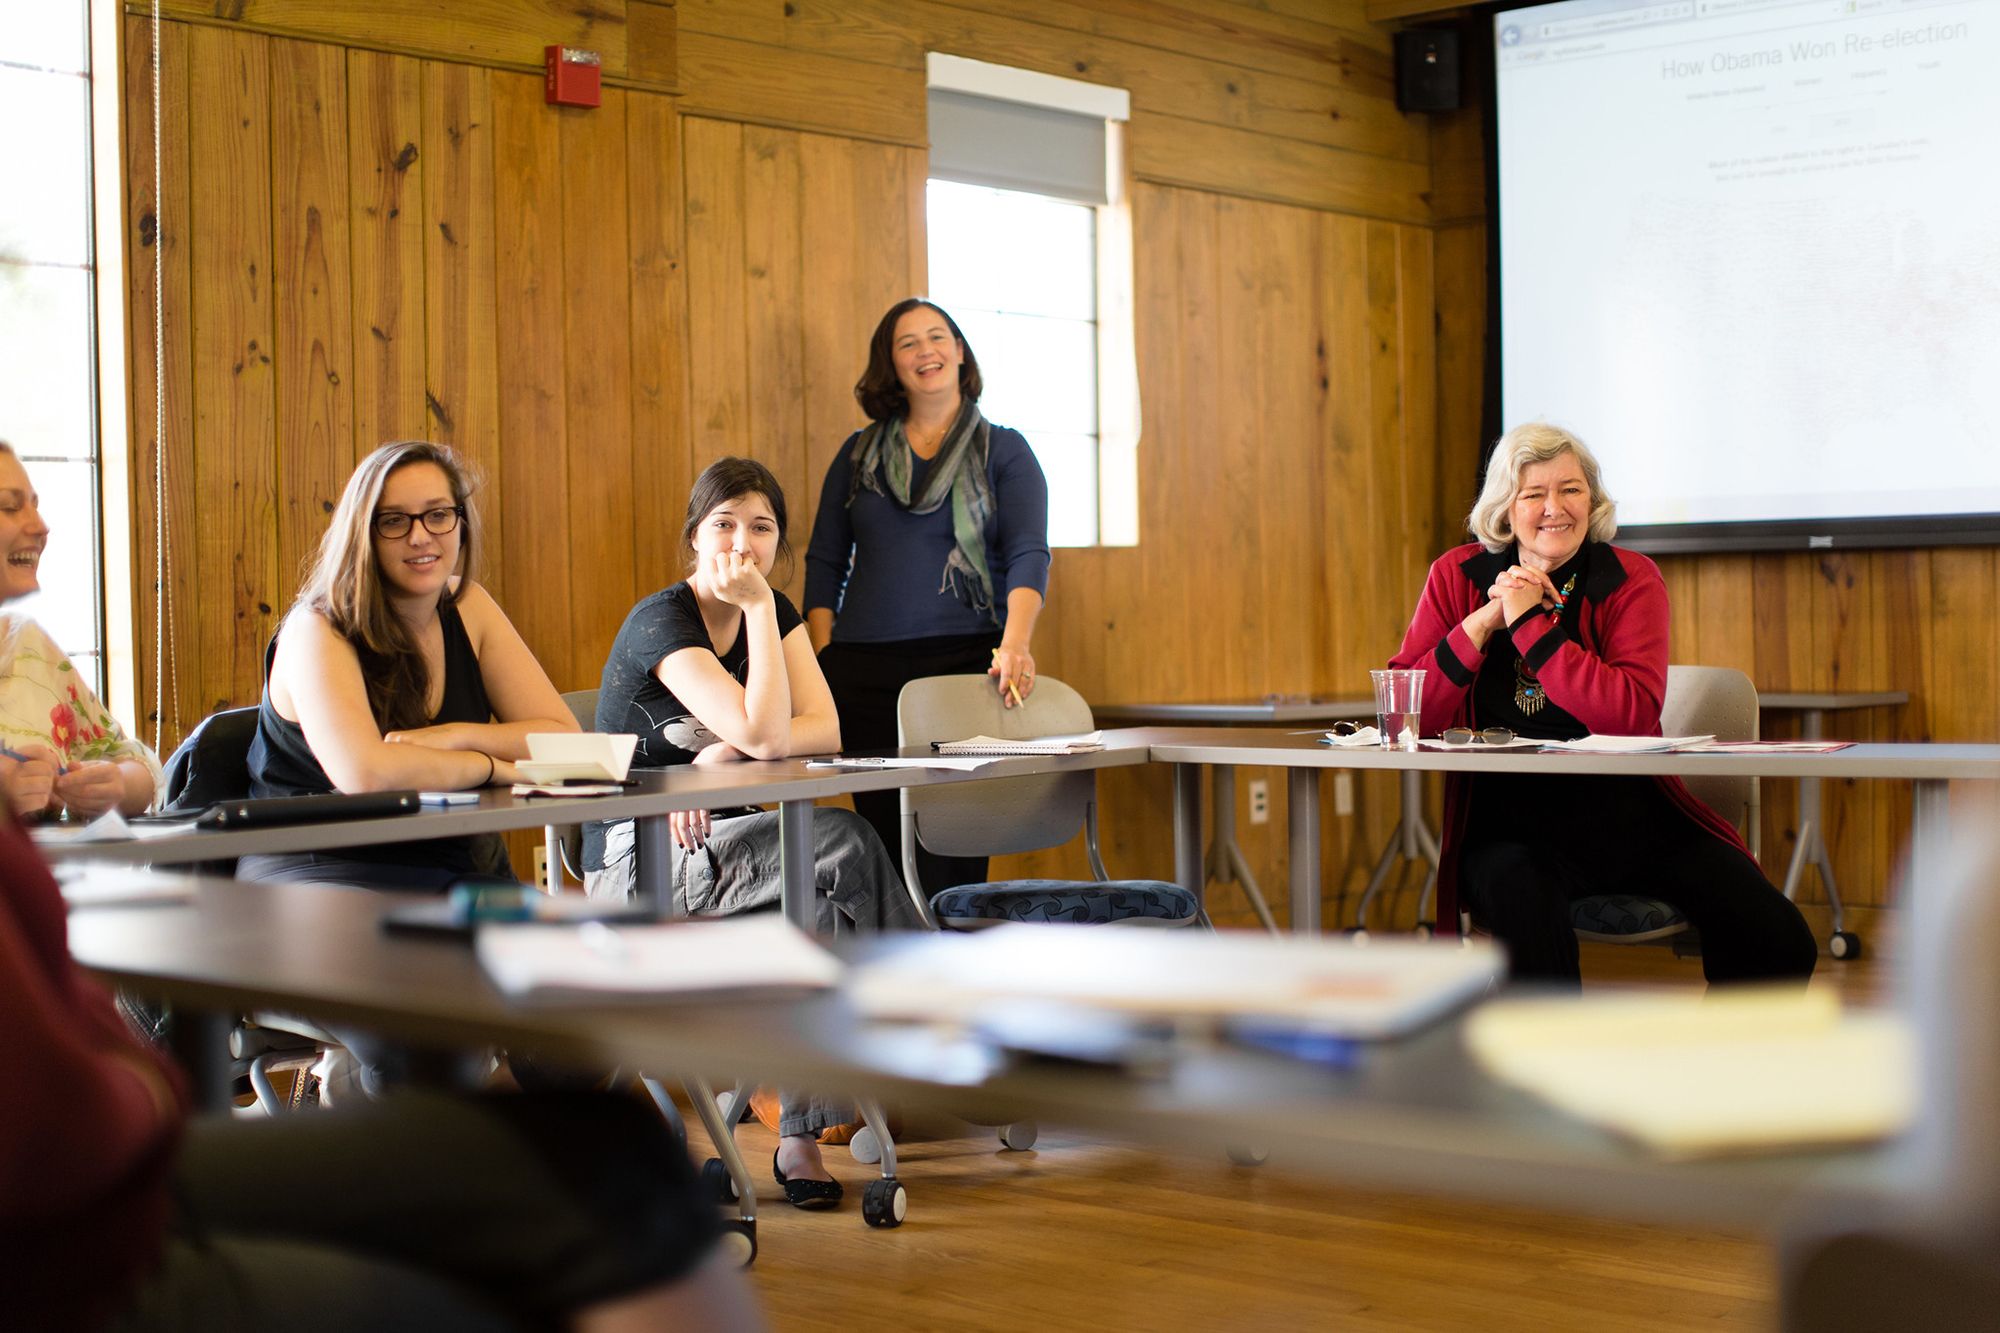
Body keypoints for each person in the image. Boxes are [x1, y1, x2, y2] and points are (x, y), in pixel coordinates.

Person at [0, 806, 760, 1331]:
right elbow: (63, 1129)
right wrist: (149, 1081)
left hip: (100, 1182)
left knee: (618, 1144)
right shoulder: (319, 635)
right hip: (70, 1253)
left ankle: (368, 1090)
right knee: (584, 1203)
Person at [585, 456, 924, 1207]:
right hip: (635, 862)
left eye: (762, 527)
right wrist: (760, 641)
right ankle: (925, 1015)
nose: (744, 541)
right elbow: (775, 734)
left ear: (780, 542)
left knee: (825, 897)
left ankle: (798, 1135)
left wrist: (723, 751)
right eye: (725, 523)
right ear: (694, 539)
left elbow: (824, 727)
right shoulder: (662, 621)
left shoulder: (779, 614)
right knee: (843, 847)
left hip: (733, 846)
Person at [1387, 421, 1818, 987]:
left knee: (1778, 936)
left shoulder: (1631, 579)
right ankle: (1549, 1073)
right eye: (1533, 493)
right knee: (1530, 928)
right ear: (1504, 507)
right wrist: (1483, 621)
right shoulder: (1456, 576)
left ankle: (1723, 1068)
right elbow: (1407, 713)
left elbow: (1631, 714)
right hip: (1505, 827)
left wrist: (1530, 623)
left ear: (1592, 500)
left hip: (1631, 815)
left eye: (1570, 489)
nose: (1554, 508)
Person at [239, 440, 577, 890]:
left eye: (438, 514)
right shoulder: (316, 627)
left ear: (461, 522)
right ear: (363, 532)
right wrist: (488, 765)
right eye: (394, 521)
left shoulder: (468, 604)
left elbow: (568, 742)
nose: (421, 537)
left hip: (445, 858)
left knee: (557, 949)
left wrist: (455, 736)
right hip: (318, 862)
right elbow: (367, 774)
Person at [804, 298, 1051, 896]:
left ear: (960, 352)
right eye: (907, 343)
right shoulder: (858, 452)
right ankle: (897, 978)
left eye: (937, 337)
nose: (925, 351)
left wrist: (1015, 643)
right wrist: (823, 655)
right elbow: (824, 559)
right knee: (883, 840)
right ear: (891, 364)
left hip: (962, 666)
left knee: (955, 839)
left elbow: (1028, 552)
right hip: (862, 670)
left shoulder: (1005, 450)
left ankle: (957, 973)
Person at [0, 439, 161, 822]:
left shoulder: (28, 644)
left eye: (35, 506)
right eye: (9, 507)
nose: (40, 527)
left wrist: (114, 787)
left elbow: (138, 765)